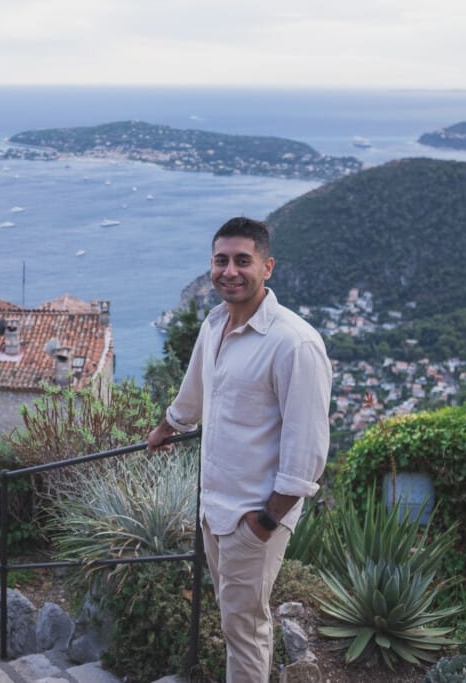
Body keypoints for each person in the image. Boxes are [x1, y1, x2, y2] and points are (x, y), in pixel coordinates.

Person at [146, 216, 331, 682]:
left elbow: (306, 451)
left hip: (254, 514)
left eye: (242, 261)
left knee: (245, 629)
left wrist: (265, 521)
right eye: (221, 260)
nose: (230, 271)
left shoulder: (294, 344)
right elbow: (194, 393)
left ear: (267, 267)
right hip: (213, 508)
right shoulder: (214, 325)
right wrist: (166, 427)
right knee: (234, 623)